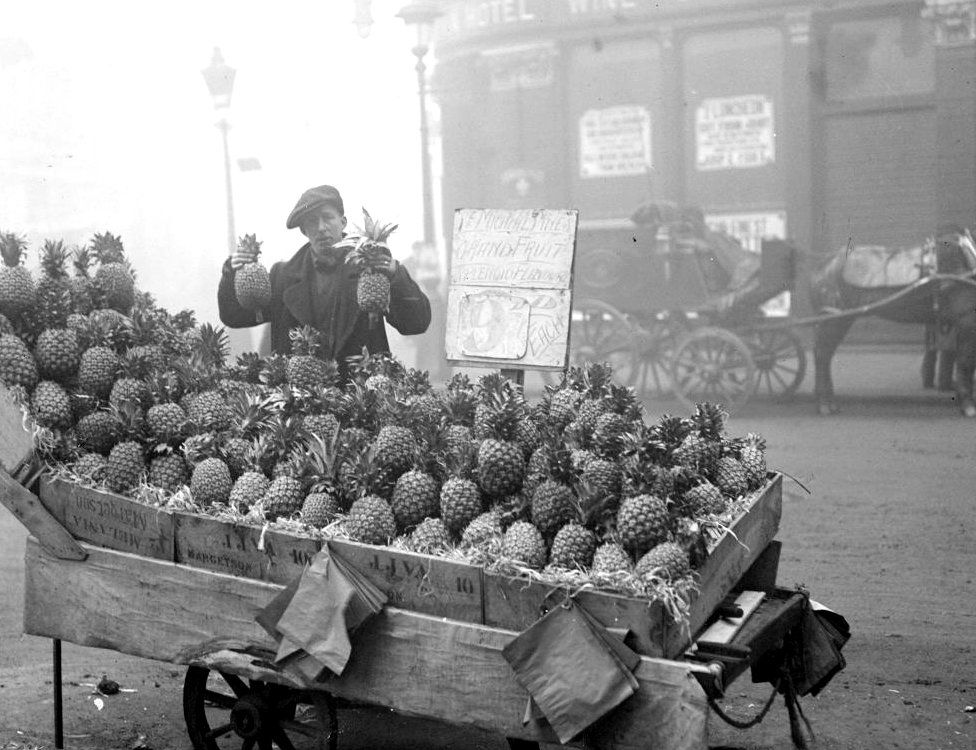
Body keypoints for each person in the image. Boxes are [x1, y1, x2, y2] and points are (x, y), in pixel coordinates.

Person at [217, 184, 431, 378]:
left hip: (361, 398)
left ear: (343, 221)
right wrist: (231, 272)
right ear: (304, 231)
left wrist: (396, 274)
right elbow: (235, 316)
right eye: (311, 221)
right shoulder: (283, 276)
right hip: (301, 400)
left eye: (328, 217)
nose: (321, 227)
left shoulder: (371, 272)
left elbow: (416, 323)